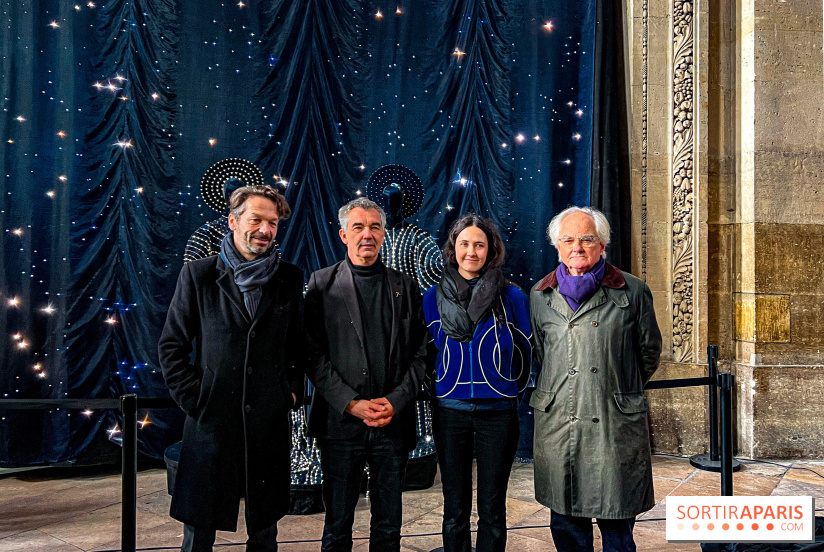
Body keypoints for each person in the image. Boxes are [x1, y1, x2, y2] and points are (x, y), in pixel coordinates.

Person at [159, 185, 305, 552]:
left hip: (268, 422)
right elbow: (172, 345)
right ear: (233, 221)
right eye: (256, 219)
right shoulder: (198, 275)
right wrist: (196, 399)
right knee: (199, 529)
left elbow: (299, 347)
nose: (265, 230)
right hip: (211, 422)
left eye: (272, 223)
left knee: (265, 529)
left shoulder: (289, 278)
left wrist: (290, 393)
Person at [529, 206, 662, 552]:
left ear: (602, 245)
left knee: (616, 520)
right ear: (557, 246)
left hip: (612, 424)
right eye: (568, 240)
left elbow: (648, 353)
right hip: (560, 423)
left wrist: (614, 386)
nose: (578, 247)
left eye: (587, 239)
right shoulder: (540, 295)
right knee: (566, 521)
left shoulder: (633, 291)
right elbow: (543, 356)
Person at [304, 197, 428, 552]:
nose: (367, 234)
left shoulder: (405, 286)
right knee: (337, 526)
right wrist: (351, 403)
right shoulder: (321, 284)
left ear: (384, 234)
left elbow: (421, 354)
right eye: (358, 227)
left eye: (375, 227)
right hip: (341, 424)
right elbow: (312, 356)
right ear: (344, 234)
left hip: (393, 422)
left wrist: (396, 400)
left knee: (389, 527)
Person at [422, 213, 532, 552]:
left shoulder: (512, 297)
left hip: (498, 413)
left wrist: (513, 393)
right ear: (453, 248)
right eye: (464, 243)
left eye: (479, 245)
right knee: (454, 507)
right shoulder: (430, 298)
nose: (471, 251)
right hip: (450, 412)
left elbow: (527, 352)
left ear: (491, 250)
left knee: (492, 507)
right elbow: (425, 356)